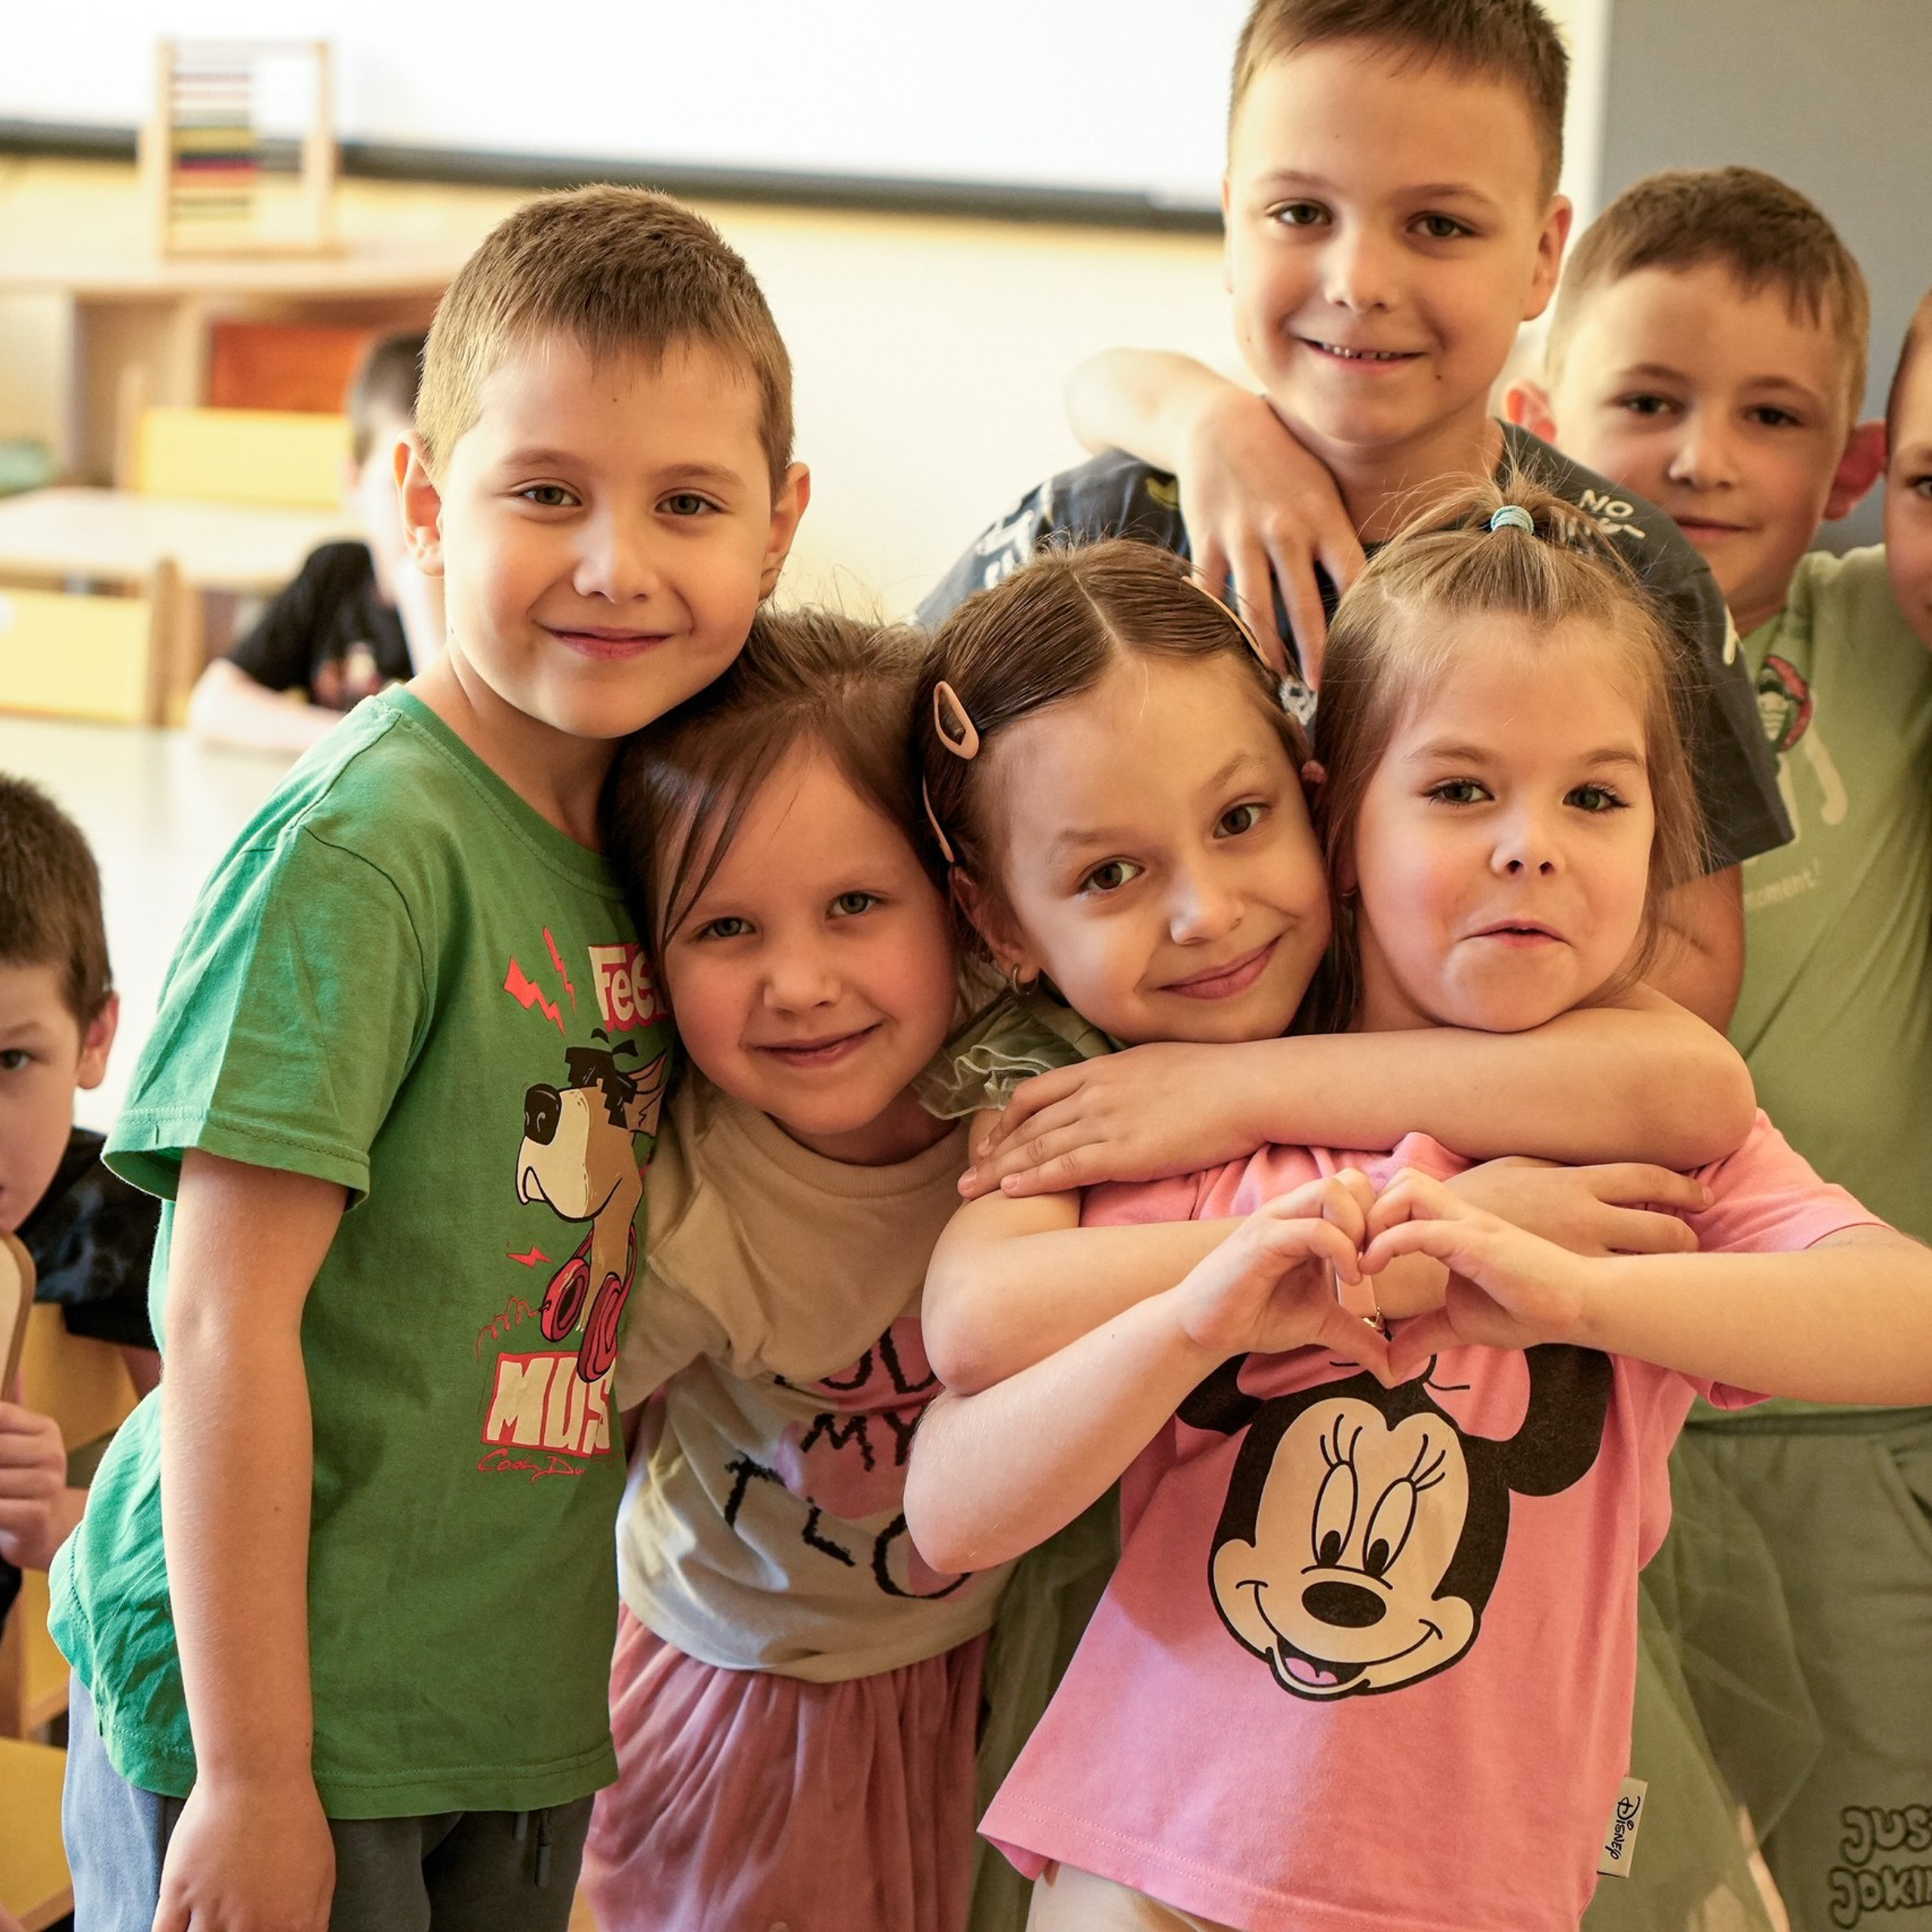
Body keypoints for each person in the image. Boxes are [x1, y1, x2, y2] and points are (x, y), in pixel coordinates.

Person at [902, 477, 1932, 1932]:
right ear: (1341, 817)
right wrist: (1240, 1295)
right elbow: (952, 1479)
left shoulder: (1632, 1162)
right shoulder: (1140, 1117)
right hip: (1150, 1861)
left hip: (1484, 1888)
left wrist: (1580, 1293)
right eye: (1459, 791)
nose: (1529, 846)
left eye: (1596, 797)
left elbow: (1898, 1307)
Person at [51, 185, 809, 1932]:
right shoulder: (365, 848)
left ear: (777, 527)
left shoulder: (660, 830)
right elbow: (218, 1317)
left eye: (686, 502)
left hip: (495, 1692)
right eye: (544, 491)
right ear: (420, 504)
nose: (614, 561)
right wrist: (253, 1770)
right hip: (274, 1709)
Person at [942, 0, 1792, 1029]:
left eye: (1439, 225)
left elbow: (1689, 970)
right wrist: (1193, 412)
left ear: (1541, 256)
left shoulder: (1628, 570)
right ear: (1230, 222)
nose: (1359, 282)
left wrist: (1293, 1094)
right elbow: (901, 845)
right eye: (1301, 213)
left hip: (1470, 1137)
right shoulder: (1086, 531)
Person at [1509, 177, 1932, 1932]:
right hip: (1578, 1400)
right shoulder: (1500, 652)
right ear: (1531, 418)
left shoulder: (1870, 630)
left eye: (1766, 417)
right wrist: (1188, 408)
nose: (1695, 459)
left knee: (1867, 1874)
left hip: (1851, 1424)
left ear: (1845, 468)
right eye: (1643, 400)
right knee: (1601, 1873)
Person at [577, 608, 998, 1932]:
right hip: (750, 1693)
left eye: (856, 905)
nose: (801, 983)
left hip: (984, 1666)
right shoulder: (688, 1217)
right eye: (726, 928)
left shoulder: (1039, 1074)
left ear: (962, 902)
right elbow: (557, 1448)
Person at [0, 776, 128, 1640]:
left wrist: (54, 1518)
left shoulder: (121, 1214)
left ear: (94, 1037)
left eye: (10, 1060)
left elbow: (228, 1498)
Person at [186, 331, 441, 755]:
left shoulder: (478, 608)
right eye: (396, 488)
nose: (421, 516)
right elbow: (213, 705)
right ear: (353, 483)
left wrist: (423, 594)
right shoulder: (335, 575)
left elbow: (455, 752)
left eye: (440, 490)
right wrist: (362, 741)